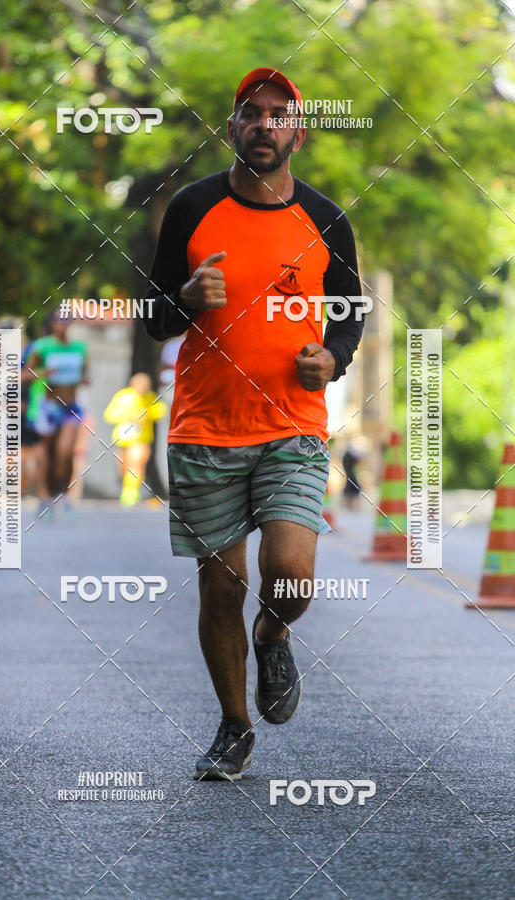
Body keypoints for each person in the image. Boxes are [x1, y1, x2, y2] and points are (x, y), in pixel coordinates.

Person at [142, 68, 366, 780]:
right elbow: (154, 319)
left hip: (292, 425)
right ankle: (234, 726)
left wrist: (332, 358)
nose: (263, 123)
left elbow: (350, 314)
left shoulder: (326, 219)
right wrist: (185, 297)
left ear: (298, 134)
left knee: (291, 575)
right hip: (205, 429)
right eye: (250, 112)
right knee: (220, 588)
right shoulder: (191, 207)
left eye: (278, 114)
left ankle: (273, 631)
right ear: (232, 126)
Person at [23, 310, 88, 517]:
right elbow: (23, 375)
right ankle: (46, 498)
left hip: (71, 407)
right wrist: (44, 373)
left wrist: (83, 379)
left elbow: (86, 375)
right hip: (48, 408)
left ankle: (65, 496)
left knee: (66, 452)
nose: (62, 323)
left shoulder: (80, 348)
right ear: (51, 323)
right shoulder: (42, 346)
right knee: (47, 456)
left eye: (66, 319)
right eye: (58, 319)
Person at [103, 372, 167, 506]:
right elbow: (109, 415)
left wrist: (147, 414)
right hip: (123, 439)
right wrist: (128, 415)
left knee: (136, 463)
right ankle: (128, 486)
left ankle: (131, 492)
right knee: (124, 466)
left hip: (141, 439)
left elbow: (161, 411)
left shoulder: (150, 398)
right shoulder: (123, 396)